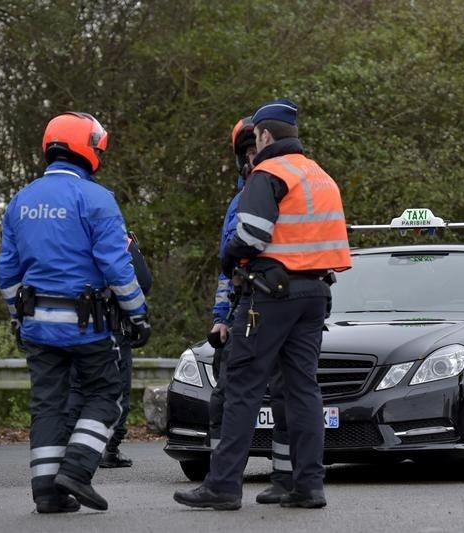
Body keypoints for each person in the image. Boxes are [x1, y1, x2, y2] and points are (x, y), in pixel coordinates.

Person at [174, 98, 351, 511]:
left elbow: (250, 236)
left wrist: (228, 256)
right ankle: (307, 486)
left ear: (266, 136)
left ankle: (223, 486)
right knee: (304, 389)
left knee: (242, 387)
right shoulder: (319, 175)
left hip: (271, 295)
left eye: (256, 137)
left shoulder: (267, 173)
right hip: (316, 294)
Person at [0, 112, 150, 513]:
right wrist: (138, 314)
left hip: (37, 326)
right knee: (107, 395)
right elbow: (118, 268)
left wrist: (17, 315)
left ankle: (47, 493)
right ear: (89, 149)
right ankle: (78, 470)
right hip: (88, 326)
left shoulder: (21, 199)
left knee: (48, 404)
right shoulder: (97, 199)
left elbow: (7, 270)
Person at [206, 116, 293, 503]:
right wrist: (220, 318)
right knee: (227, 395)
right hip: (245, 306)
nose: (253, 157)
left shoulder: (284, 189)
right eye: (248, 151)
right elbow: (227, 267)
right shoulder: (236, 201)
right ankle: (219, 477)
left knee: (284, 393)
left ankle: (285, 477)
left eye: (256, 148)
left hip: (276, 301)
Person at [67, 231, 153, 469]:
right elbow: (143, 282)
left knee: (77, 388)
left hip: (74, 326)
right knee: (116, 390)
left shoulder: (69, 238)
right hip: (112, 327)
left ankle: (70, 447)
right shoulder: (120, 239)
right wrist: (138, 317)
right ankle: (109, 448)